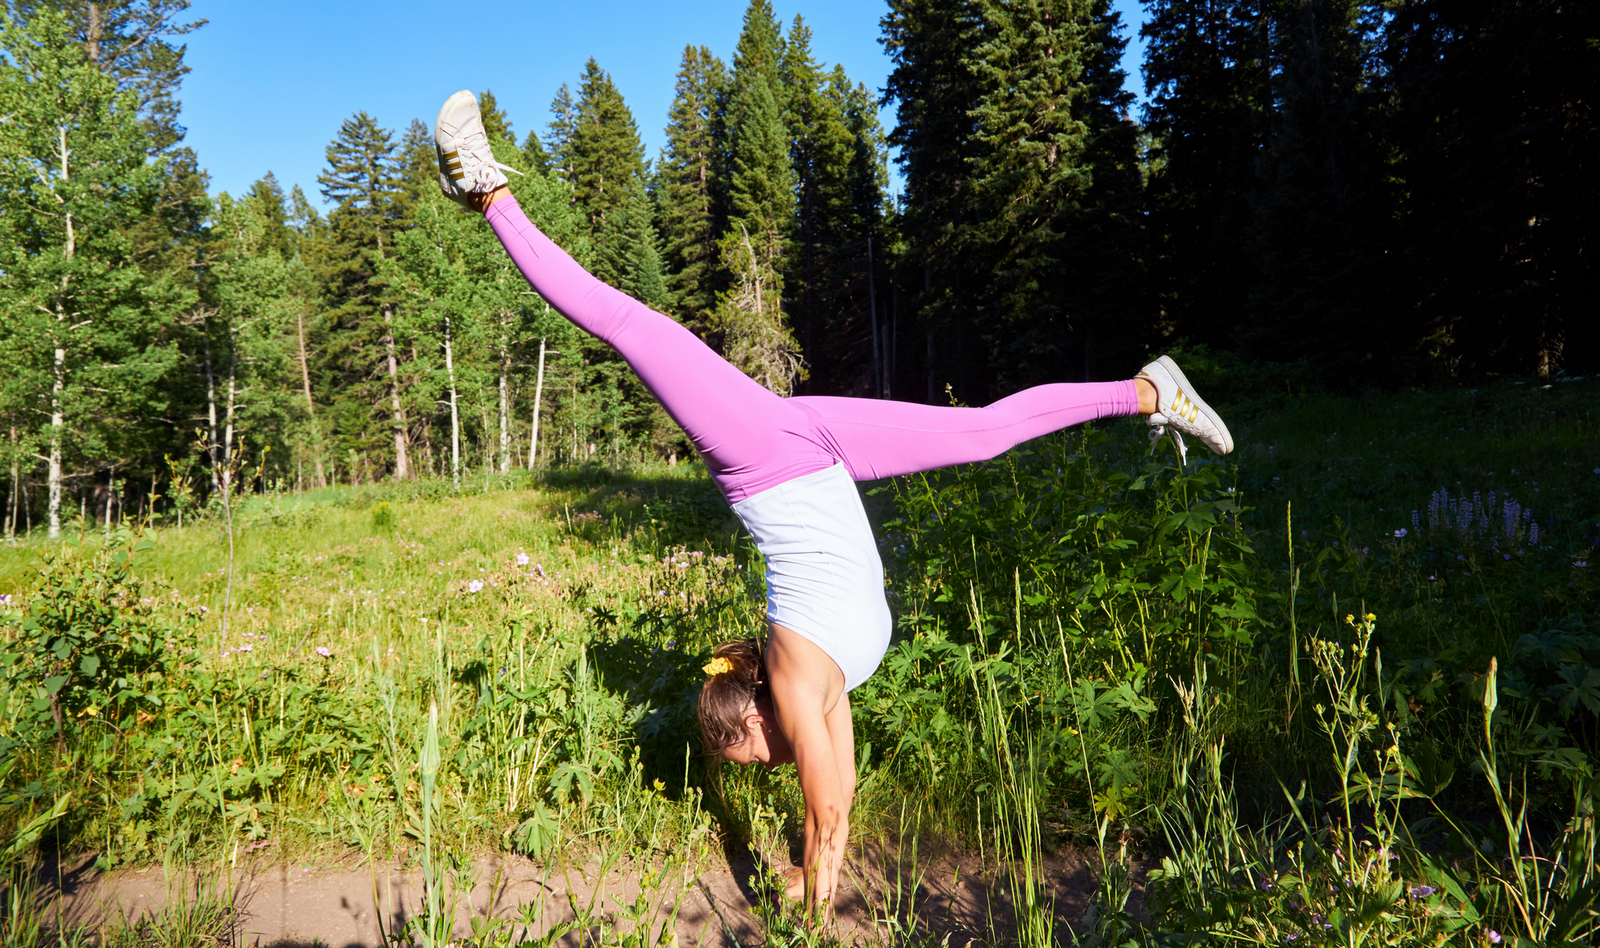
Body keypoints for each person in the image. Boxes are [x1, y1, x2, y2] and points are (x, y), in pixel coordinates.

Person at [433, 90, 1232, 917]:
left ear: (752, 712)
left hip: (765, 454)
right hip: (818, 447)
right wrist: (815, 879)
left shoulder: (794, 671)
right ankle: (1149, 392)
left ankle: (486, 190)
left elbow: (823, 806)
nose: (770, 762)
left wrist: (810, 916)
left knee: (631, 325)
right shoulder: (828, 688)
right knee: (985, 436)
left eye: (754, 755)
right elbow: (840, 798)